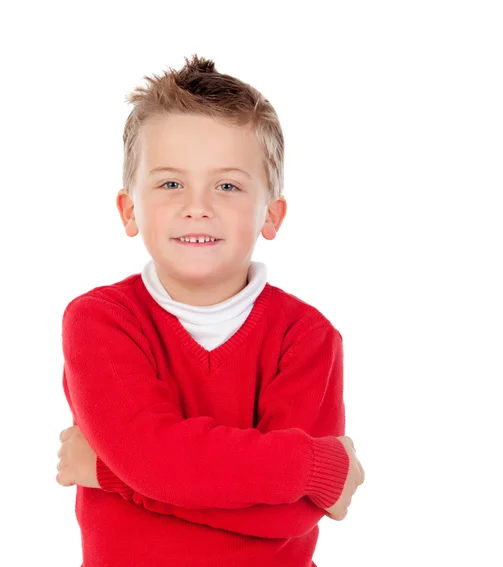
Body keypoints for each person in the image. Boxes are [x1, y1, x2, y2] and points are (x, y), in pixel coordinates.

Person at [56, 53, 365, 567]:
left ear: (271, 215)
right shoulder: (100, 321)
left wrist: (113, 474)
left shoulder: (308, 337)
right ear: (130, 211)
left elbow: (288, 516)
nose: (197, 206)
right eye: (170, 183)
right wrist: (316, 467)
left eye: (227, 185)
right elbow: (151, 459)